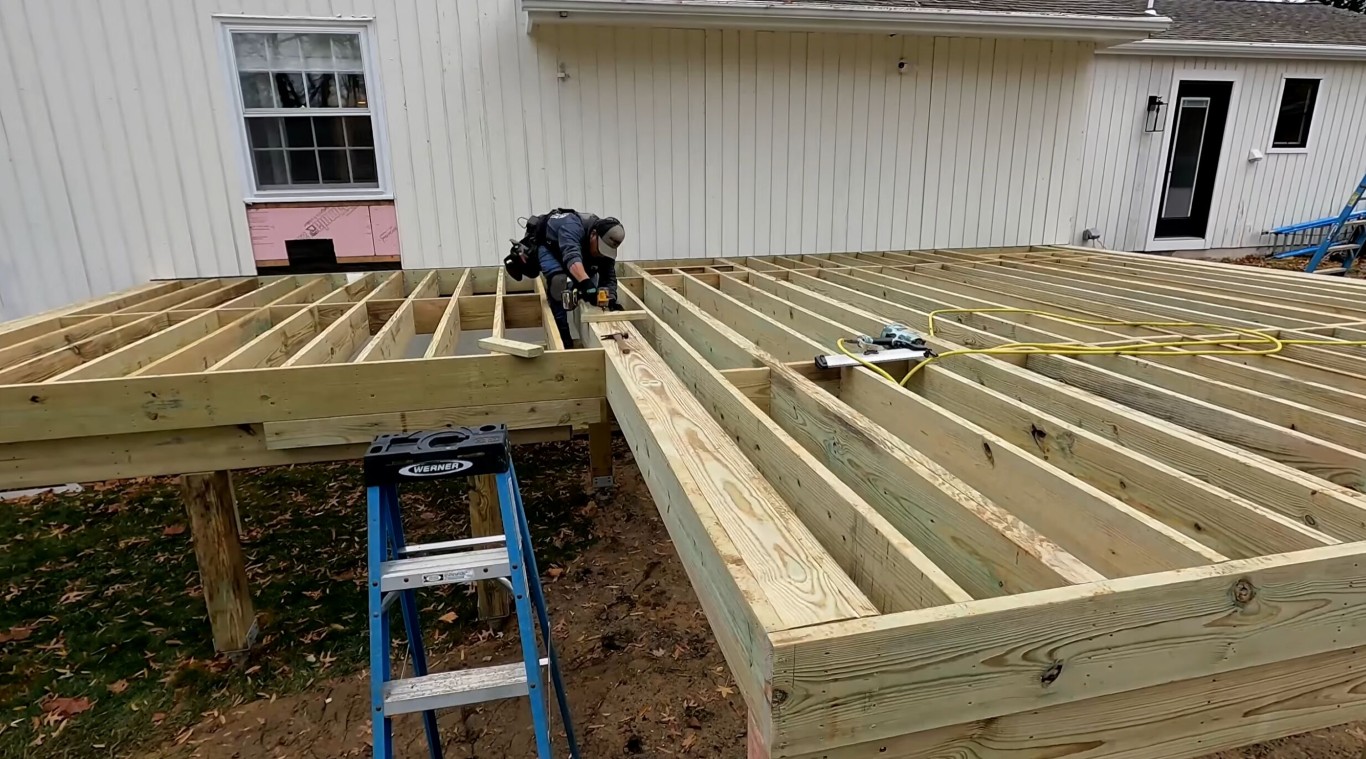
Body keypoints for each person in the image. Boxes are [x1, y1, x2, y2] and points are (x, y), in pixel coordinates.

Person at [536, 211, 626, 348]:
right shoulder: (572, 226)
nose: (602, 253)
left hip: (577, 252)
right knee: (558, 281)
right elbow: (571, 257)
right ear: (593, 235)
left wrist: (611, 297)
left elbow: (609, 276)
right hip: (550, 248)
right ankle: (562, 334)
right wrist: (587, 286)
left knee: (592, 286)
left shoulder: (604, 246)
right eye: (600, 248)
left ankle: (575, 291)